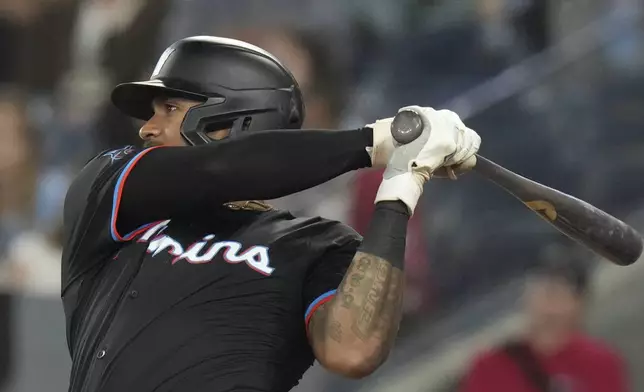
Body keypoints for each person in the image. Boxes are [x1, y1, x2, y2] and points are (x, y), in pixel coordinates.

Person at [61, 36, 481, 392]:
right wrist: (375, 141)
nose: (146, 128)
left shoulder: (318, 243)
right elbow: (221, 168)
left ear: (230, 122)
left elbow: (353, 350)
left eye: (169, 109)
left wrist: (401, 184)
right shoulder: (111, 197)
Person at [460, 258, 629, 392]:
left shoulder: (600, 362)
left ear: (579, 304)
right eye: (543, 292)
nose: (549, 306)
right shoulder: (490, 365)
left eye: (558, 295)